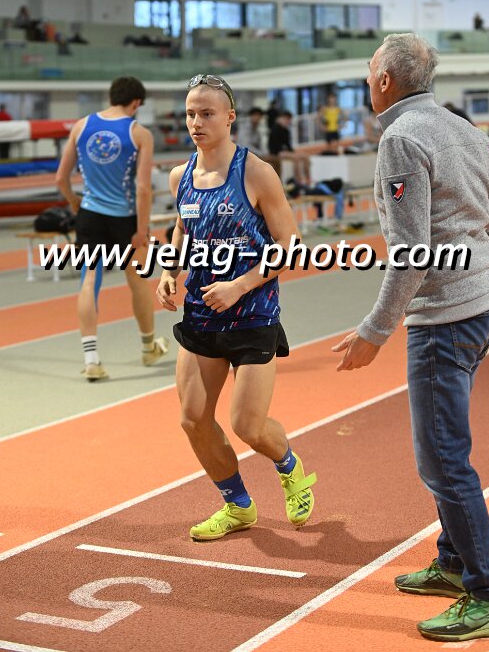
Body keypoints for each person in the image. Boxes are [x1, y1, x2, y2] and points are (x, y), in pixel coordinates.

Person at [332, 33, 489, 643]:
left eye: (369, 72)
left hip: (444, 321)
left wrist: (374, 330)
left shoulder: (401, 140)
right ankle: (455, 561)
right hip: (485, 305)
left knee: (442, 461)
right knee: (446, 449)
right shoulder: (466, 130)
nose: (367, 80)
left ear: (385, 80)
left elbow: (411, 253)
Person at [156, 73, 316, 541]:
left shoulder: (256, 173)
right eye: (190, 114)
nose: (196, 123)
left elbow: (291, 246)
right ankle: (238, 505)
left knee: (248, 425)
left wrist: (240, 285)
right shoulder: (180, 176)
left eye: (206, 114)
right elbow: (183, 228)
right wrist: (169, 271)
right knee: (192, 419)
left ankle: (289, 466)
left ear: (230, 117)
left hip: (252, 315)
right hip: (202, 315)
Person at [56, 75, 169, 382]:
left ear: (111, 97)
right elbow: (143, 188)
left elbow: (61, 178)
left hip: (90, 214)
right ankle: (148, 347)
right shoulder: (139, 133)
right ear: (136, 102)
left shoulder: (81, 126)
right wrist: (142, 229)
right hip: (124, 218)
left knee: (89, 281)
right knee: (137, 281)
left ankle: (91, 359)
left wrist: (74, 202)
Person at [268, 110, 310, 183]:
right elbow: (275, 145)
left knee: (305, 156)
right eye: (287, 119)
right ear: (281, 118)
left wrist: (292, 151)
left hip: (285, 151)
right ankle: (299, 180)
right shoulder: (275, 129)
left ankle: (308, 178)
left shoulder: (286, 130)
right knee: (296, 158)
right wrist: (288, 151)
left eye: (289, 120)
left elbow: (288, 145)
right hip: (277, 152)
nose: (288, 121)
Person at [237, 106, 281, 176]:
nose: (257, 118)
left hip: (254, 154)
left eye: (259, 116)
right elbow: (246, 145)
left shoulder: (257, 129)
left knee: (276, 160)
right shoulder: (245, 127)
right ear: (250, 116)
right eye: (254, 115)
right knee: (271, 163)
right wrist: (261, 154)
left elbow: (260, 145)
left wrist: (265, 153)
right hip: (244, 154)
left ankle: (277, 181)